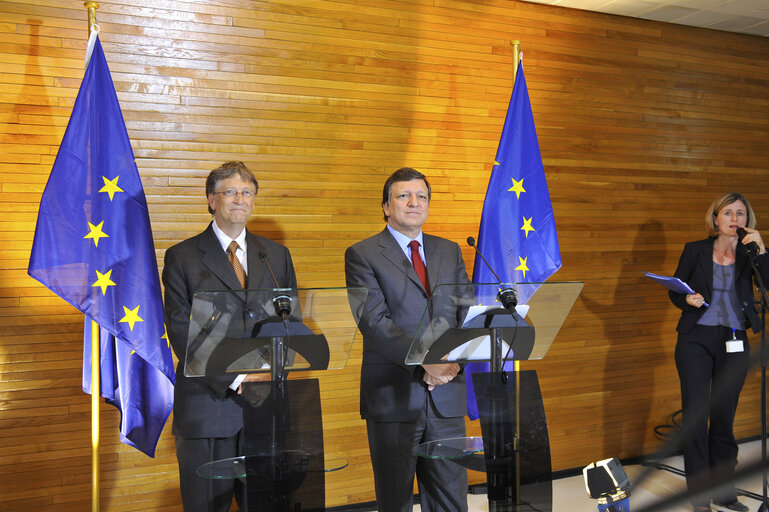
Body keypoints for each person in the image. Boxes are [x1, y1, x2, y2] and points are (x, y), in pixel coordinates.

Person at [162, 161, 298, 511]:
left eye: (247, 192)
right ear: (211, 200)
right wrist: (240, 377)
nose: (240, 199)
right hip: (209, 406)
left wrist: (270, 370)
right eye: (230, 192)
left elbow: (289, 321)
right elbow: (182, 331)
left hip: (266, 406)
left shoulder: (275, 255)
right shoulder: (183, 257)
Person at [345, 167, 471, 512]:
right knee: (395, 499)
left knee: (451, 499)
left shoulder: (449, 250)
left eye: (421, 196)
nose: (414, 203)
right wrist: (426, 361)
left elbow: (465, 312)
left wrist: (449, 362)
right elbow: (373, 322)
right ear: (386, 206)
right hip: (393, 395)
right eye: (403, 196)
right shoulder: (362, 254)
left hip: (446, 393)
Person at [668, 192, 769, 512]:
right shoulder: (694, 250)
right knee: (696, 419)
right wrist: (686, 300)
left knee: (723, 420)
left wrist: (763, 251)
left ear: (747, 221)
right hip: (695, 341)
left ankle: (725, 492)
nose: (734, 219)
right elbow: (675, 290)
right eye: (728, 213)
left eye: (741, 214)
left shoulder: (751, 254)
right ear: (715, 219)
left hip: (734, 340)